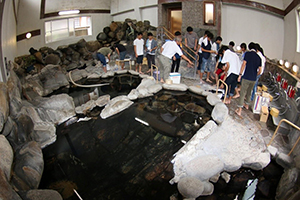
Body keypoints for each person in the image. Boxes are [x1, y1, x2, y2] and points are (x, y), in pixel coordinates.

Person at [235, 42, 262, 116]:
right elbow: (260, 70)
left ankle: (239, 110)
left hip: (246, 76)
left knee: (243, 92)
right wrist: (256, 75)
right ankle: (246, 105)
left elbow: (244, 64)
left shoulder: (247, 54)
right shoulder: (259, 58)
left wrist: (240, 74)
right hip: (253, 79)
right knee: (249, 92)